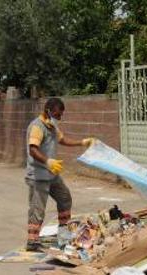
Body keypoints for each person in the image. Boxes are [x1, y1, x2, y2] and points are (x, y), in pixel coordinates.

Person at [25, 97, 98, 251]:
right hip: (39, 175)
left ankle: (64, 235)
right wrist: (48, 162)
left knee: (65, 198)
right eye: (58, 114)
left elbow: (63, 140)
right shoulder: (37, 127)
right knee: (37, 209)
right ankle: (32, 242)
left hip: (51, 174)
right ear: (48, 111)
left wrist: (82, 142)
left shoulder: (52, 126)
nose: (60, 117)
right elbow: (33, 149)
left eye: (61, 115)